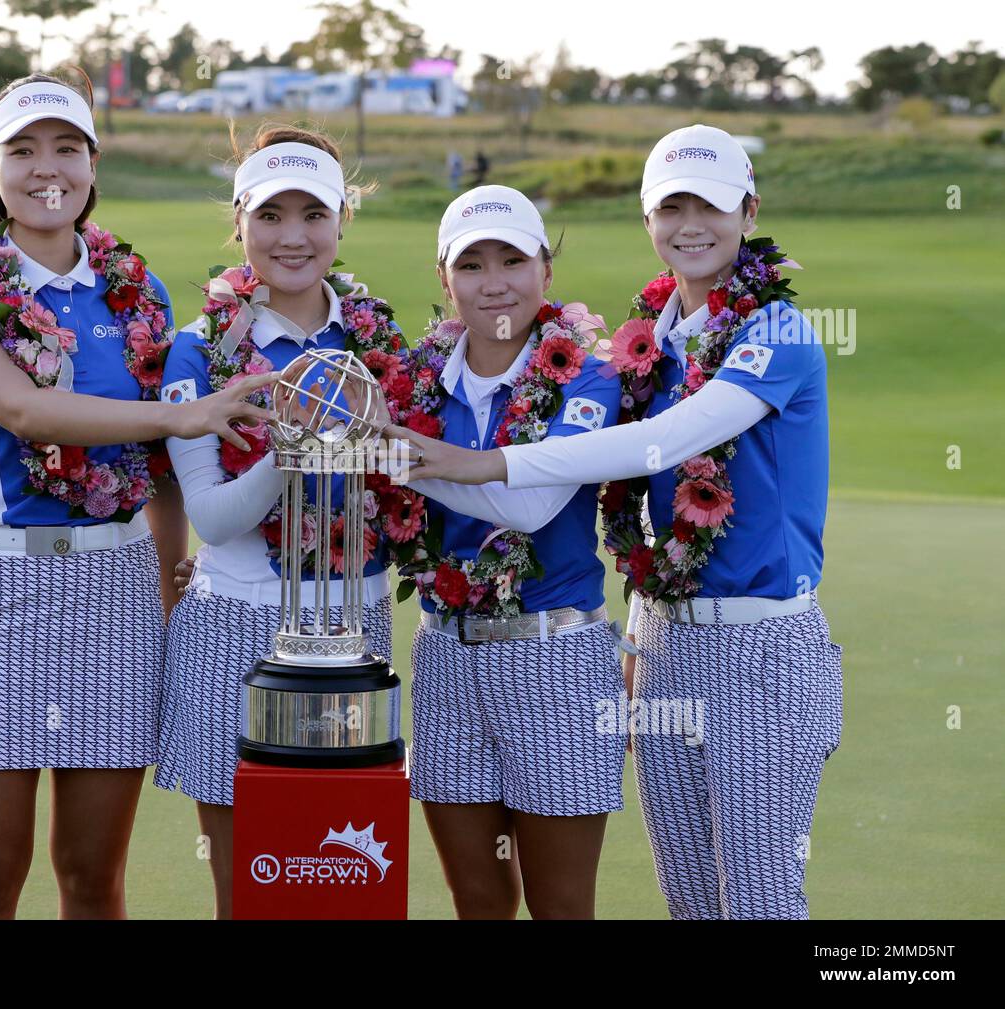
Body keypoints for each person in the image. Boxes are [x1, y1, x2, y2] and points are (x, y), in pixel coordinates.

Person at [390, 125, 843, 920]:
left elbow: (664, 440)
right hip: (665, 642)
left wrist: (472, 462)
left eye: (710, 203)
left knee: (762, 901)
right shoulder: (653, 345)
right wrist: (639, 631)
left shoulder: (780, 332)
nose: (690, 223)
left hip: (762, 643)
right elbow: (638, 498)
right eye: (672, 204)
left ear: (749, 210)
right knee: (693, 900)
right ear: (648, 221)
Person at [0, 68, 275, 920]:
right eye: (24, 150)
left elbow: (154, 468)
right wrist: (179, 417)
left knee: (91, 875)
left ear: (92, 162)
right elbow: (16, 405)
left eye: (67, 148)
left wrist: (169, 572)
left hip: (116, 590)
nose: (49, 168)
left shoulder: (137, 292)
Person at [155, 123, 401, 919]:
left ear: (341, 222)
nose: (292, 237)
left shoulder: (379, 342)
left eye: (313, 215)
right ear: (240, 222)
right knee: (251, 891)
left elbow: (409, 486)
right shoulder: (200, 352)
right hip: (232, 626)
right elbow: (217, 518)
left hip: (354, 628)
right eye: (270, 216)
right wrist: (298, 442)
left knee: (346, 880)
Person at [372, 185, 625, 919]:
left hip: (556, 661)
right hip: (446, 655)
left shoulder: (587, 376)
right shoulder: (418, 380)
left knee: (561, 904)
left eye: (513, 259)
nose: (495, 282)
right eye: (472, 264)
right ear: (445, 279)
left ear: (546, 270)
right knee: (478, 898)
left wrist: (412, 459)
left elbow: (532, 505)